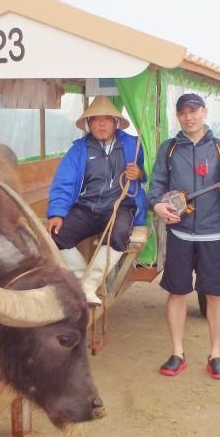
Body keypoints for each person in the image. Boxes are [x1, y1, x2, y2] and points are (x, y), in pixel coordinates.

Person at [147, 93, 220, 379]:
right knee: (177, 291)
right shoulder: (169, 149)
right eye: (183, 112)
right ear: (178, 116)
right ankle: (177, 352)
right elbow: (156, 185)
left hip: (212, 233)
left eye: (194, 111)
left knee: (216, 294)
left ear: (205, 112)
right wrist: (157, 205)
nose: (189, 117)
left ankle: (216, 354)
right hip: (180, 234)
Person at [46, 96, 146, 305]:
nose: (101, 124)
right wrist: (57, 213)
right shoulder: (78, 150)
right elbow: (64, 182)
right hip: (87, 207)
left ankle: (88, 286)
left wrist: (139, 174)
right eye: (95, 119)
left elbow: (150, 174)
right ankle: (85, 281)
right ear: (88, 124)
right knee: (56, 235)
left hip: (120, 205)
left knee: (119, 235)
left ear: (115, 122)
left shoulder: (133, 145)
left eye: (107, 119)